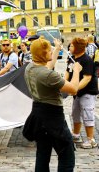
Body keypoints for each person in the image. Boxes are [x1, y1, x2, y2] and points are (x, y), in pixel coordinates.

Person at [22, 38, 82, 172]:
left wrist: (56, 49)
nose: (50, 52)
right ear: (43, 54)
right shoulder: (49, 75)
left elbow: (46, 66)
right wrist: (76, 70)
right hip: (53, 117)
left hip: (38, 115)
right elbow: (73, 88)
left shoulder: (30, 68)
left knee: (42, 155)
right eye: (48, 51)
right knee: (66, 155)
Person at [65, 37, 99, 149]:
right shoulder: (71, 58)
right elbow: (68, 73)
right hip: (77, 93)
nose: (70, 47)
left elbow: (87, 78)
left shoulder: (87, 60)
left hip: (88, 92)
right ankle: (76, 135)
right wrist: (66, 85)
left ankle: (91, 140)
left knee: (87, 114)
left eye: (72, 45)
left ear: (78, 47)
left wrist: (74, 88)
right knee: (75, 113)